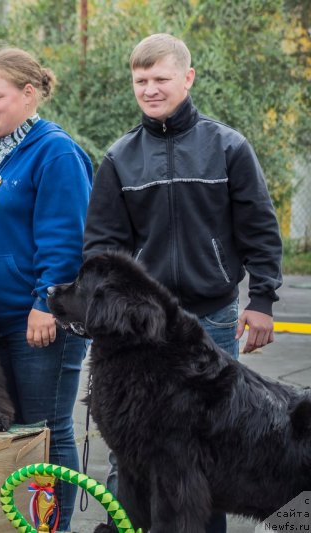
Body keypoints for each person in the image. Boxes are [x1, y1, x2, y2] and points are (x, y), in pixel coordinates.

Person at [82, 33, 283, 533]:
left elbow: (260, 227)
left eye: (160, 78)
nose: (150, 89)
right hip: (141, 334)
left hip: (211, 319)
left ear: (187, 78)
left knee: (206, 453)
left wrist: (262, 300)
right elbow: (102, 250)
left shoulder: (228, 146)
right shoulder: (119, 158)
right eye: (141, 81)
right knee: (133, 450)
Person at [0, 47, 92, 531]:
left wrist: (45, 301)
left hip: (38, 324)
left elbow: (65, 237)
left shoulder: (57, 152)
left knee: (45, 432)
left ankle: (55, 525)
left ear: (29, 95)